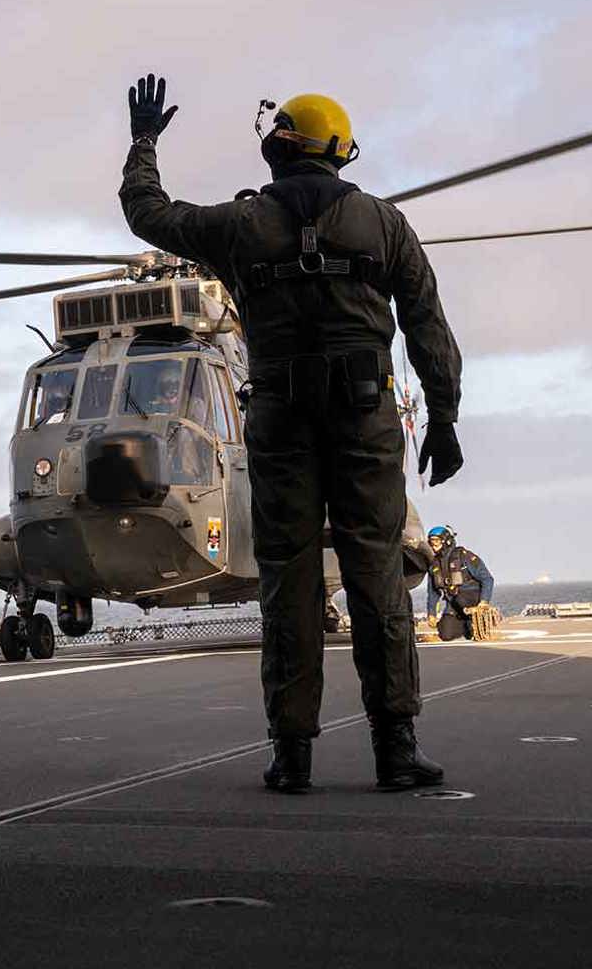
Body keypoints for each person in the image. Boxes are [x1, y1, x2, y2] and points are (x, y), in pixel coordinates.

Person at [119, 74, 464, 793]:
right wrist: (444, 418)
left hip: (280, 423)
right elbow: (428, 327)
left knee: (288, 583)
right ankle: (395, 748)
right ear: (339, 153)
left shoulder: (239, 226)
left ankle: (292, 754)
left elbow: (147, 213)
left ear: (277, 150)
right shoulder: (385, 225)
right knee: (377, 577)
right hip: (364, 421)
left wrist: (144, 142)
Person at [425, 525, 496, 642]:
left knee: (461, 600)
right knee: (446, 635)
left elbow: (487, 579)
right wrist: (431, 613)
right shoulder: (434, 565)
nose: (433, 545)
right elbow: (433, 592)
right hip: (454, 604)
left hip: (472, 599)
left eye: (436, 541)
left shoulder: (464, 556)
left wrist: (484, 602)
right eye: (431, 542)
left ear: (446, 541)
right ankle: (465, 626)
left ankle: (479, 619)